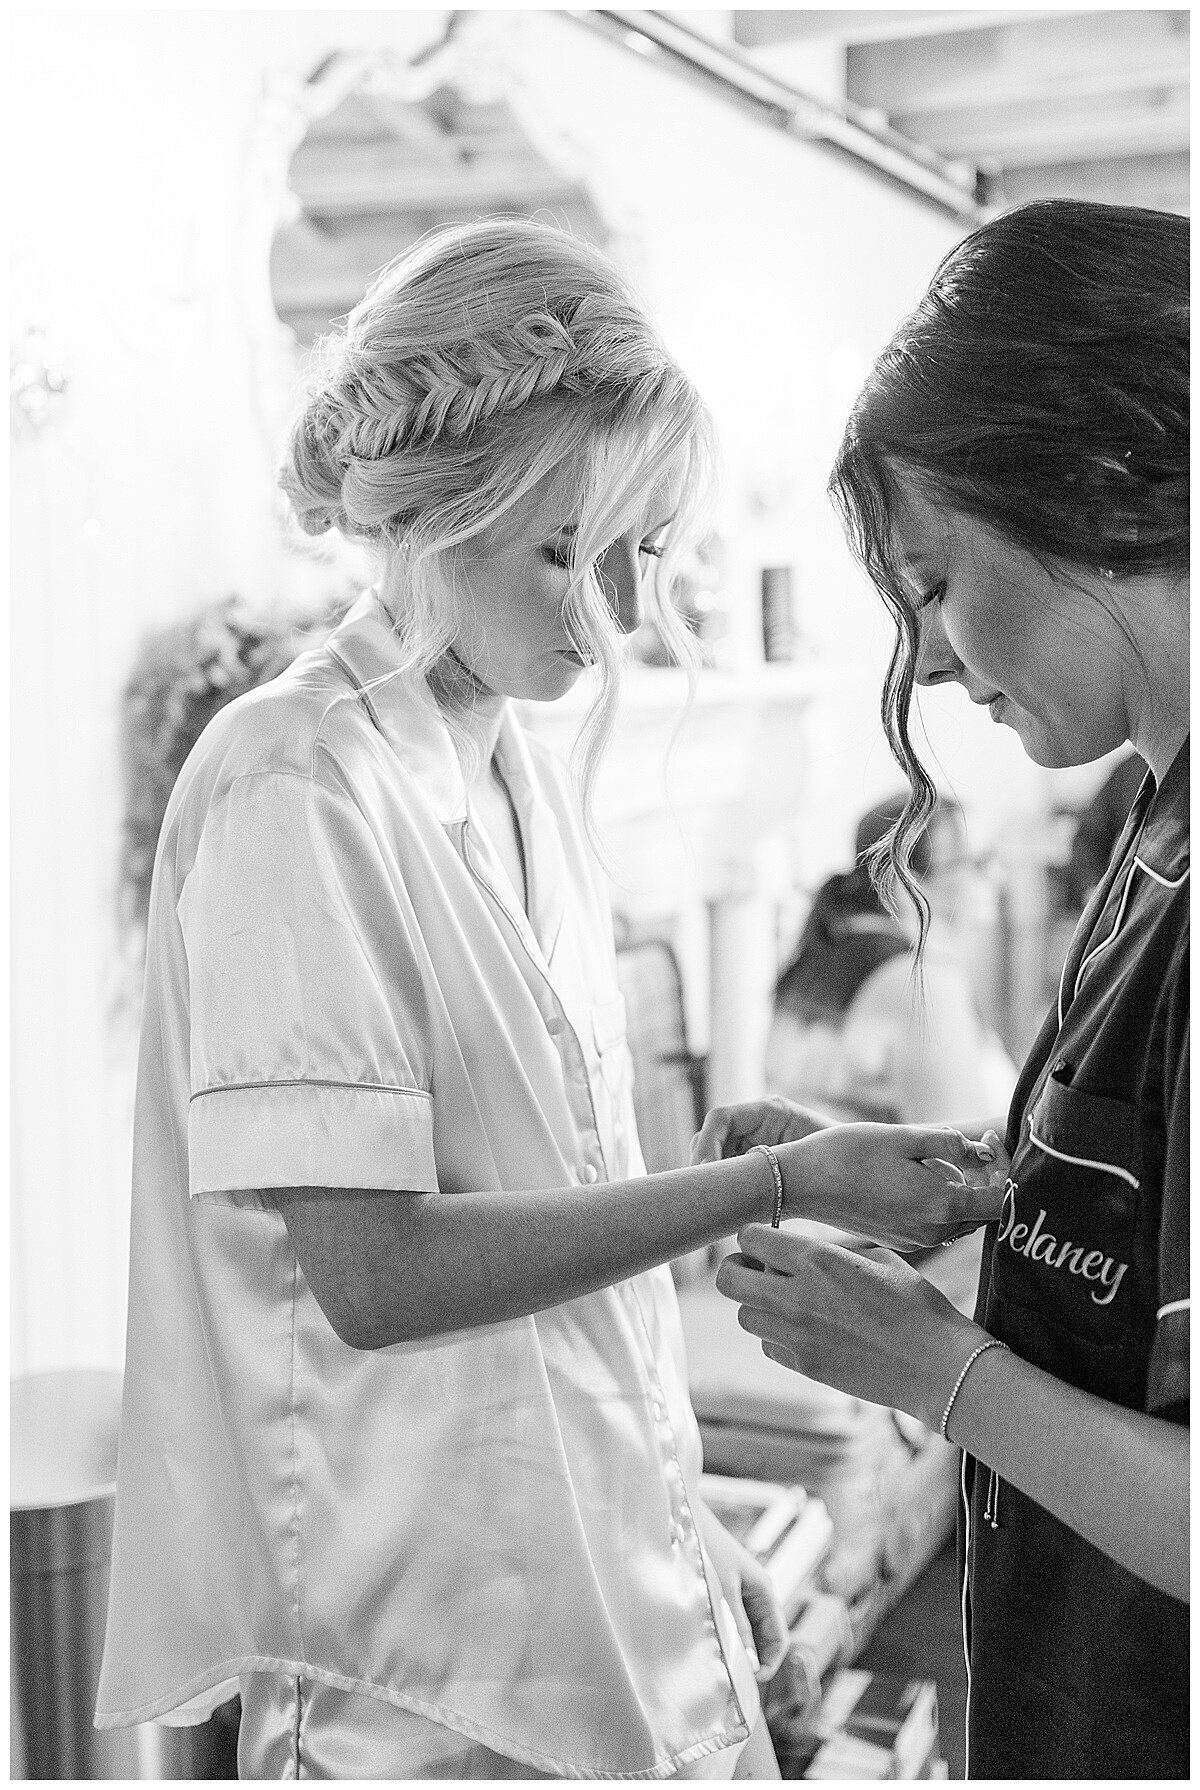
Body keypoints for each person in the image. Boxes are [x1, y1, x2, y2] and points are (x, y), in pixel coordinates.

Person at [93, 219, 1001, 1781]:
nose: (619, 616)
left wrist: (694, 1538)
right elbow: (374, 1272)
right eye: (574, 551)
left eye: (649, 552)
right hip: (423, 1687)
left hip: (604, 1642)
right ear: (445, 509)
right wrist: (773, 1181)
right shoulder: (293, 780)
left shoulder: (525, 778)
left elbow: (571, 1273)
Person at [704, 199, 1188, 1779]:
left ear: (1096, 491)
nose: (921, 666)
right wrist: (964, 1190)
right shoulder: (1155, 826)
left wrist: (931, 1366)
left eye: (929, 581)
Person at [767, 791, 1015, 1126]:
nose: (999, 877)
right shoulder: (921, 985)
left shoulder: (818, 957)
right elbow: (964, 1155)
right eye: (981, 862)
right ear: (906, 880)